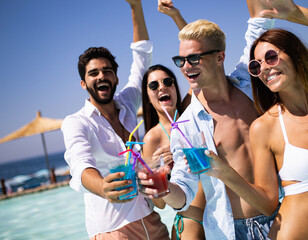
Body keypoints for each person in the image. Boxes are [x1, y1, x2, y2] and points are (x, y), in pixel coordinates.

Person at [204, 0, 308, 239]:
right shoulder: (265, 127)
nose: (264, 68)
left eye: (271, 57)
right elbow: (268, 204)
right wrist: (225, 173)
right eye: (256, 66)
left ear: (295, 54)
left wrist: (297, 14)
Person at [138, 1, 279, 239]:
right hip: (235, 231)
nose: (185, 67)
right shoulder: (185, 127)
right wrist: (162, 189)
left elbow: (260, 23)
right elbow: (184, 191)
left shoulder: (249, 82)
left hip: (283, 216)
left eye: (193, 59)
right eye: (180, 60)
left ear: (220, 57)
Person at [61, 0, 169, 239]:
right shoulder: (76, 122)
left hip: (151, 219)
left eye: (107, 71)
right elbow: (79, 165)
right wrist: (102, 187)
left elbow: (142, 58)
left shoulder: (128, 102)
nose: (102, 76)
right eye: (94, 73)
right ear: (83, 83)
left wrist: (136, 6)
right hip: (113, 230)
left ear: (116, 78)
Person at [141, 2, 206, 239]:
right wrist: (161, 172)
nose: (162, 87)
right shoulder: (152, 137)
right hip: (191, 223)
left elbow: (197, 56)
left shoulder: (191, 109)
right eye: (154, 85)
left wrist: (176, 16)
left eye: (168, 82)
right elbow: (158, 205)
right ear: (148, 97)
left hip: (222, 212)